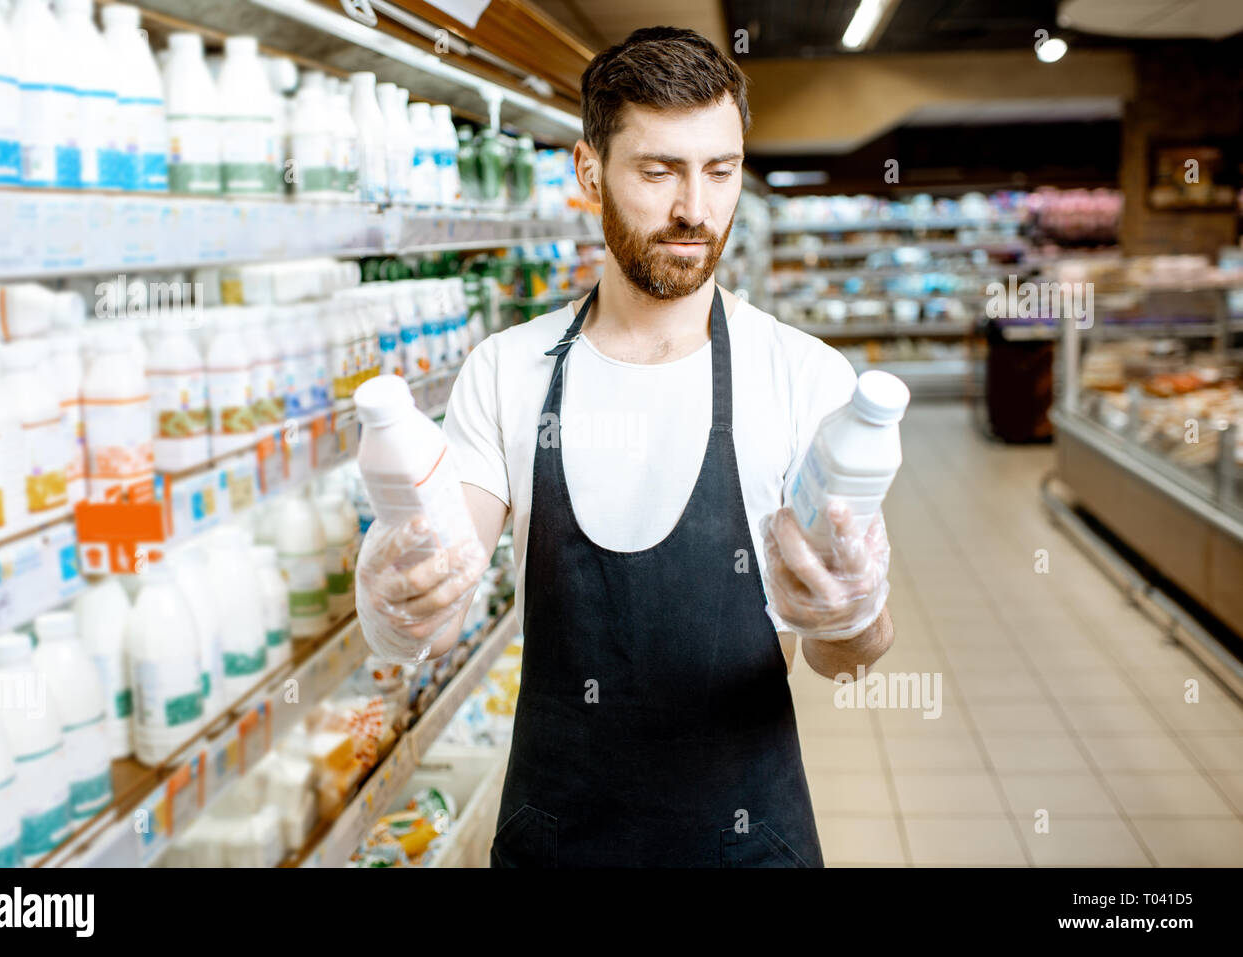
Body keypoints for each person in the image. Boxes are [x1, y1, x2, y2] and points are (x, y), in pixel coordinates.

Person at [356, 26, 895, 868]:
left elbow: (845, 658)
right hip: (557, 837)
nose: (696, 208)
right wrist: (394, 591)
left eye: (721, 171)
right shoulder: (508, 371)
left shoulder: (802, 375)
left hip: (749, 839)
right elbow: (436, 588)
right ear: (588, 171)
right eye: (658, 170)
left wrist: (853, 613)